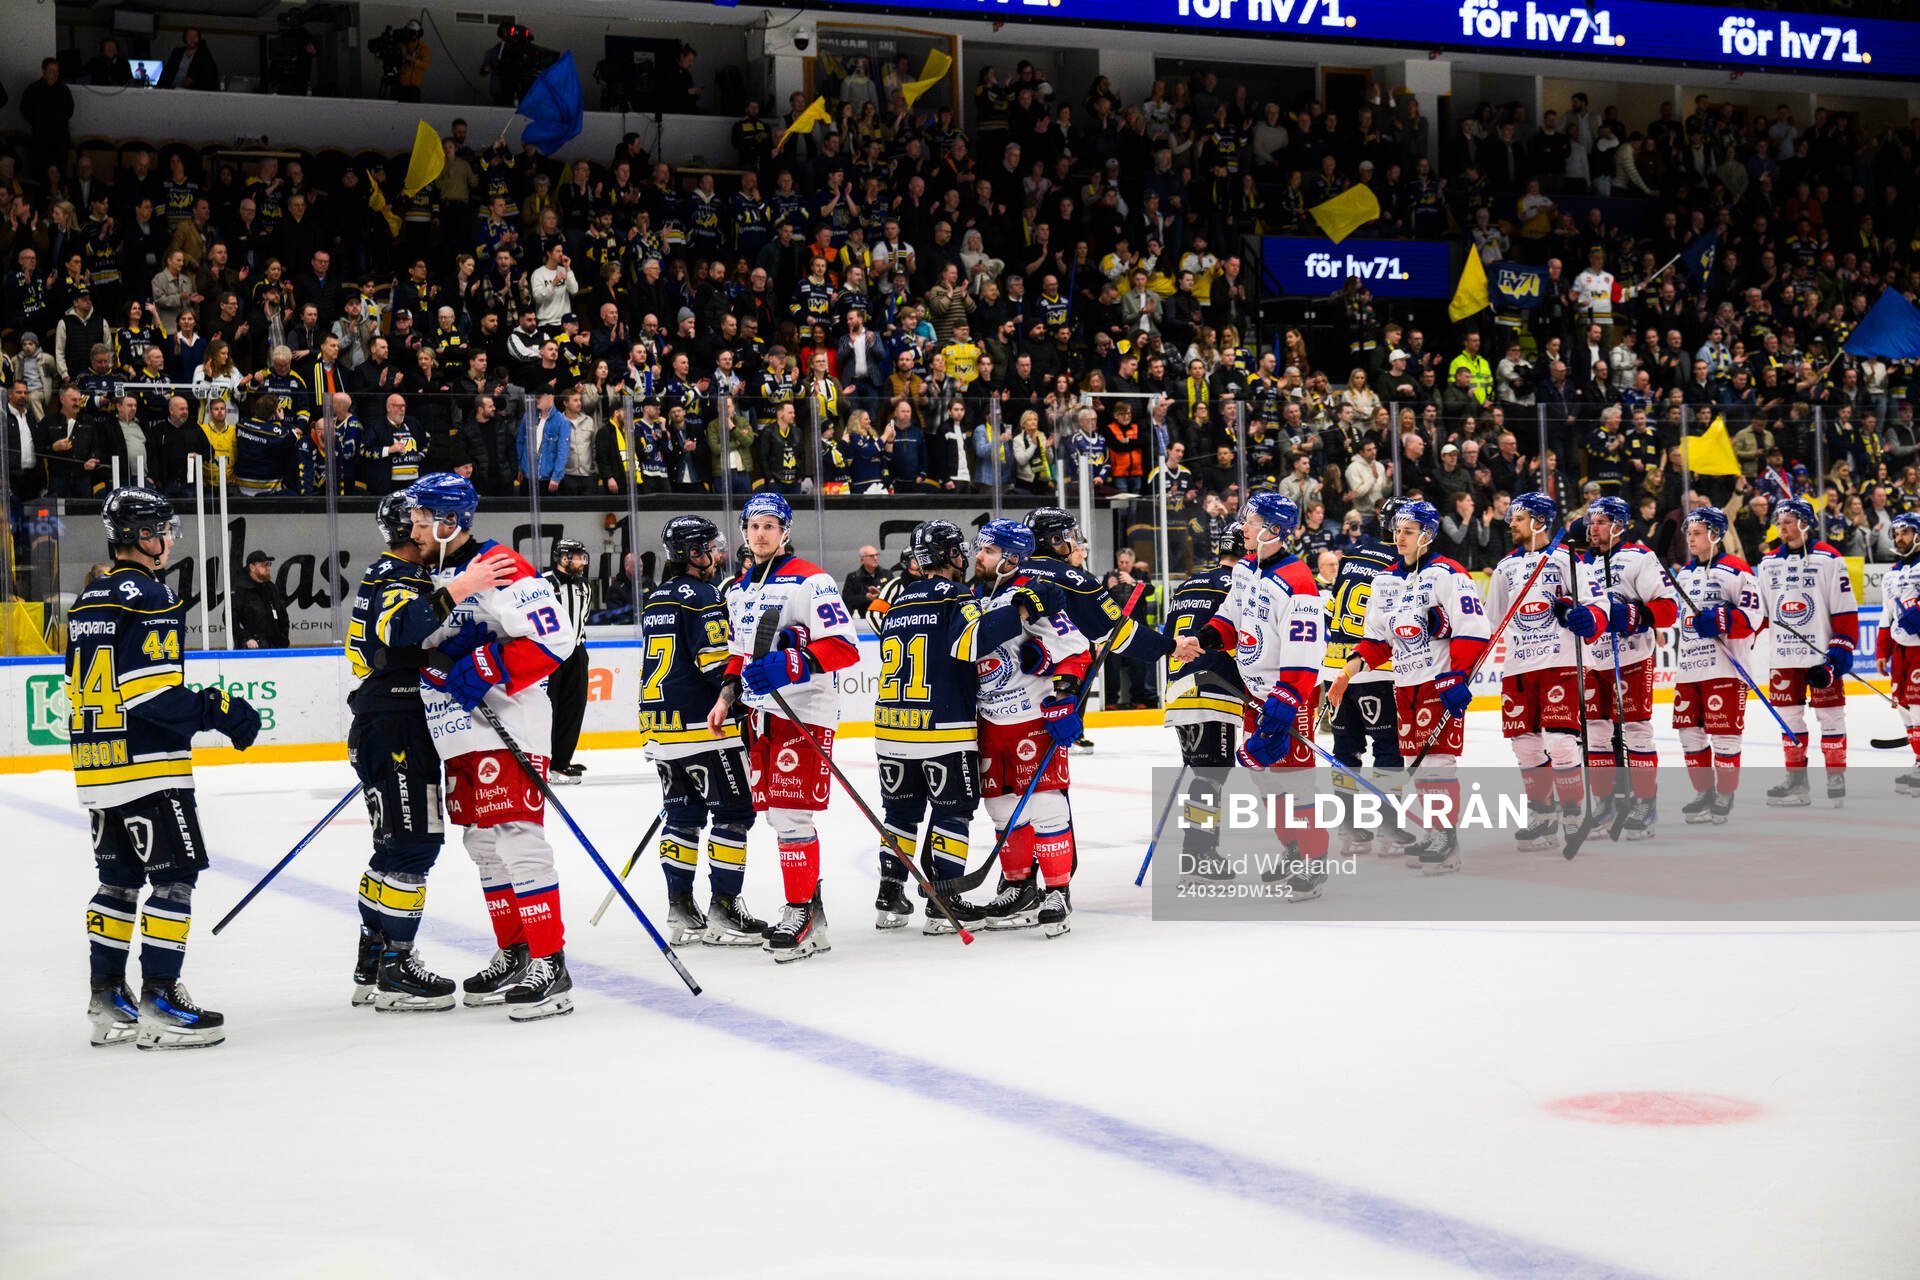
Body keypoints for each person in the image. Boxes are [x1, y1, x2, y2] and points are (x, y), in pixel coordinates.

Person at [70, 489, 260, 1049]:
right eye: (159, 529)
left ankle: (107, 996)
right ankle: (160, 997)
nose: (167, 538)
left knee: (118, 882)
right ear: (136, 536)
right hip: (149, 768)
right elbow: (150, 694)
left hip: (98, 763)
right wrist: (219, 710)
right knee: (175, 878)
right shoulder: (150, 595)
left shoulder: (88, 599)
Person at [410, 473, 579, 1020]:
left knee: (518, 840)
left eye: (421, 517)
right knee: (481, 846)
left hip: (510, 722)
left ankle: (550, 963)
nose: (413, 526)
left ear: (450, 521)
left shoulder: (502, 562)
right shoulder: (434, 572)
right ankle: (516, 948)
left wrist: (486, 665)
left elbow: (556, 639)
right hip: (458, 729)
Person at [346, 492, 513, 1011]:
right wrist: (464, 585)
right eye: (420, 522)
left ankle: (373, 959)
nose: (427, 530)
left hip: (381, 722)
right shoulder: (398, 577)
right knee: (415, 847)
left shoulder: (383, 573)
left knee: (392, 849)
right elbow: (401, 630)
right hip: (396, 727)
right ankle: (397, 966)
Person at [705, 493, 861, 961]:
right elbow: (739, 652)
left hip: (803, 711)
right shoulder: (737, 587)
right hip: (759, 714)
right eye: (753, 525)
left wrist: (796, 662)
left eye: (771, 525)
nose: (761, 533)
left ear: (786, 531)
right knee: (776, 816)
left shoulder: (811, 580)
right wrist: (725, 696)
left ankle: (799, 912)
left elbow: (845, 647)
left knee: (792, 816)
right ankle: (814, 917)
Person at [1180, 493, 1331, 898]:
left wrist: (1285, 705)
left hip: (1289, 697)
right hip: (1256, 695)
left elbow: (1304, 654)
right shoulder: (1247, 568)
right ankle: (1293, 847)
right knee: (1264, 776)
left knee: (1295, 781)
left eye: (1250, 521)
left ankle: (1314, 862)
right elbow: (1230, 618)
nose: (1242, 527)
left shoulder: (1298, 583)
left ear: (1272, 530)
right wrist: (1204, 638)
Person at [1330, 500, 1490, 873]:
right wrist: (1347, 672)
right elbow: (1376, 642)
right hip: (1404, 685)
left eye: (1408, 531)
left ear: (1428, 535)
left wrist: (1456, 675)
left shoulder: (1448, 573)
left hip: (1437, 681)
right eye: (1397, 530)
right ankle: (1436, 833)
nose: (1399, 537)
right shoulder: (1385, 580)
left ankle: (1445, 840)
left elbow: (1475, 629)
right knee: (1419, 768)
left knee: (1437, 763)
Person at [949, 518, 1090, 933]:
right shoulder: (973, 595)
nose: (978, 556)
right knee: (1001, 808)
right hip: (989, 720)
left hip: (1032, 719)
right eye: (980, 549)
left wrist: (1064, 696)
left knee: (1046, 806)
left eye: (989, 551)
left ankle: (1057, 892)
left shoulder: (1034, 595)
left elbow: (1076, 650)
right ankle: (1018, 886)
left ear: (1011, 559)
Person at [641, 516, 767, 946]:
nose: (718, 554)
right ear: (692, 554)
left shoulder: (656, 597)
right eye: (711, 547)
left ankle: (680, 909)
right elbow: (716, 664)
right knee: (733, 813)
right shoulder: (704, 596)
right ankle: (725, 909)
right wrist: (747, 690)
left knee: (682, 815)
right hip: (705, 727)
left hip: (661, 726)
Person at [870, 519, 983, 932]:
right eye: (958, 550)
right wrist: (1021, 609)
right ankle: (944, 902)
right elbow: (973, 645)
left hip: (892, 728)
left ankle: (889, 893)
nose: (963, 557)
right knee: (953, 814)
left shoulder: (898, 600)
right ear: (949, 555)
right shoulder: (959, 595)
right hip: (943, 728)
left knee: (899, 813)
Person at [1554, 497, 1678, 841]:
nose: (1593, 528)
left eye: (1602, 521)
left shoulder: (1640, 558)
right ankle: (1605, 804)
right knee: (1594, 733)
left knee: (1636, 729)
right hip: (1593, 659)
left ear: (1620, 525)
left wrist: (1634, 615)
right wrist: (1567, 611)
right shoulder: (1576, 561)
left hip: (1632, 657)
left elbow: (1669, 608)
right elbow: (1564, 598)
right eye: (1591, 521)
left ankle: (1644, 803)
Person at [1486, 491, 1599, 851]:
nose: (1511, 525)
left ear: (1537, 521)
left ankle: (1574, 813)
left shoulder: (1567, 558)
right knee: (1526, 747)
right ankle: (1543, 816)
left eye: (1517, 519)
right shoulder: (1505, 566)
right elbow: (1490, 621)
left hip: (1559, 663)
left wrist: (1583, 616)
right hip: (1518, 667)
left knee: (1561, 743)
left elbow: (1595, 606)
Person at [1756, 498, 1859, 807]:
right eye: (1779, 522)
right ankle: (1797, 782)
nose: (1782, 527)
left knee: (1830, 717)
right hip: (1783, 659)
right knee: (1788, 720)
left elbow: (1844, 612)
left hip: (1819, 657)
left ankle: (1835, 776)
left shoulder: (1829, 559)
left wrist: (1837, 656)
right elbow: (1759, 615)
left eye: (1787, 521)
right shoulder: (1768, 563)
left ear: (1804, 522)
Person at [1159, 519, 1246, 877]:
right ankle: (1198, 851)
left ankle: (1199, 847)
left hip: (1179, 688)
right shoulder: (1240, 583)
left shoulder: (1188, 583)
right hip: (1215, 688)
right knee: (1212, 774)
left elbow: (1169, 636)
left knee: (1204, 772)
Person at [1317, 497, 1404, 858]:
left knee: (1345, 751)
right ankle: (1389, 830)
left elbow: (1333, 606)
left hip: (1334, 667)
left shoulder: (1354, 555)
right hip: (1374, 667)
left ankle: (1350, 831)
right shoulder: (1402, 563)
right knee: (1387, 750)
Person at [1671, 506, 1765, 826]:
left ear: (1715, 534)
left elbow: (1754, 618)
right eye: (1689, 533)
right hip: (1689, 668)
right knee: (1689, 735)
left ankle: (1725, 793)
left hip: (1725, 668)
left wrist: (1722, 619)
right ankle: (1704, 792)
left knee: (1725, 736)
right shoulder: (1684, 573)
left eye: (1696, 533)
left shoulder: (1736, 570)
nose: (1690, 539)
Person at [1875, 512, 1920, 793]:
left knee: (1918, 709)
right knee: (1905, 710)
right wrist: (1882, 650)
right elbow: (1886, 614)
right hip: (1901, 652)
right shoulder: (1891, 574)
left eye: (1905, 532)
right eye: (1897, 533)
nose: (1899, 538)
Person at [542, 538, 593, 782]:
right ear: (563, 559)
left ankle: (561, 762)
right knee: (546, 709)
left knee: (574, 708)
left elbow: (582, 618)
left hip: (577, 652)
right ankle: (542, 762)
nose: (582, 561)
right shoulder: (542, 584)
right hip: (548, 653)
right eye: (577, 556)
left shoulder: (585, 586)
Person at [233, 550, 290, 648]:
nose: (268, 568)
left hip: (275, 648)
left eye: (269, 564)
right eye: (264, 565)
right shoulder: (241, 590)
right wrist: (246, 639)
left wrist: (283, 639)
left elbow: (283, 617)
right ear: (252, 567)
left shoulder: (271, 588)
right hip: (251, 650)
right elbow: (231, 619)